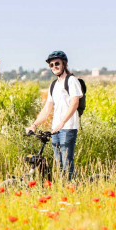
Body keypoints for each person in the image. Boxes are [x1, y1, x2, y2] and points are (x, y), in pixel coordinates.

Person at [26, 51, 82, 180]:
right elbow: (47, 108)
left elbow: (74, 103)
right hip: (55, 130)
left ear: (64, 64)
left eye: (57, 63)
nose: (54, 66)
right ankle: (69, 187)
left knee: (67, 164)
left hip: (68, 128)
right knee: (59, 165)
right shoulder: (53, 85)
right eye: (51, 65)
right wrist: (34, 125)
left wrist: (62, 123)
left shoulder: (71, 80)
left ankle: (72, 189)